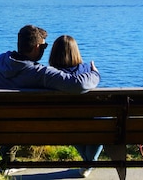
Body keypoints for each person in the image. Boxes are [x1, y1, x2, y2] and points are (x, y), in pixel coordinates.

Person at [0, 25, 101, 168]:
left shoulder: (0, 60)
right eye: (44, 46)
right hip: (28, 126)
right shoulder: (40, 73)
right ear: (36, 47)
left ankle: (7, 160)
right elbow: (78, 84)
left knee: (12, 112)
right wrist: (95, 73)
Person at [49, 34, 104, 178]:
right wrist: (95, 73)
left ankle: (88, 162)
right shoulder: (87, 70)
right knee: (102, 126)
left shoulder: (49, 75)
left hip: (64, 126)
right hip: (90, 123)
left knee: (69, 124)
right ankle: (89, 162)